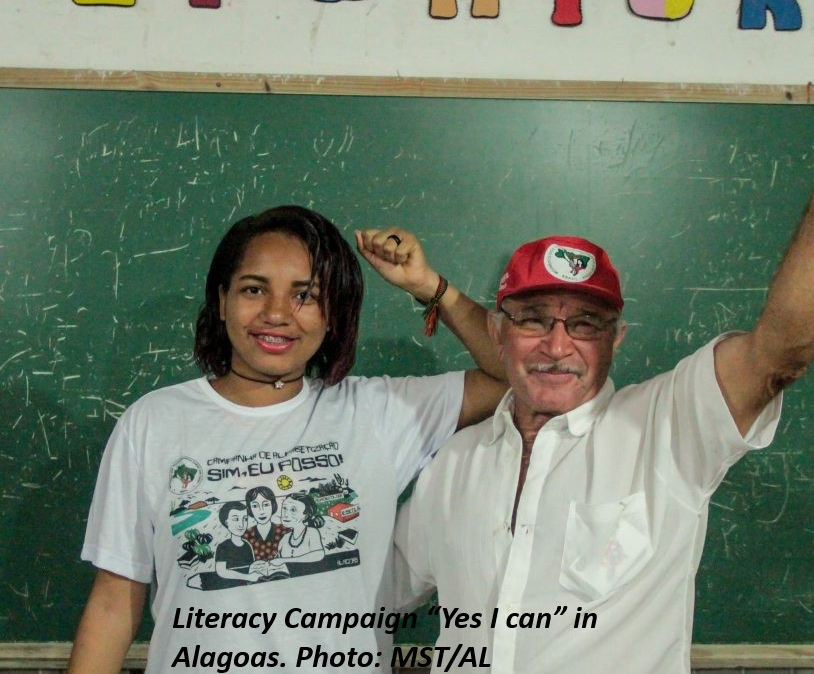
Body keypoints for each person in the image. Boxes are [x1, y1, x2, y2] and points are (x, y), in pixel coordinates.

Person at [393, 39, 814, 673]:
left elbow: (781, 352)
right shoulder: (451, 465)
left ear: (616, 339)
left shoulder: (668, 430)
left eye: (585, 324)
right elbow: (370, 592)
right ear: (498, 334)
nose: (557, 344)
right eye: (532, 319)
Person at [69, 205, 507, 673]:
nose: (277, 313)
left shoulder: (377, 414)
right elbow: (114, 603)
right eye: (253, 289)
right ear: (221, 300)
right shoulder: (153, 422)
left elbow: (512, 374)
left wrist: (428, 286)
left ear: (333, 313)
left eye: (306, 295)